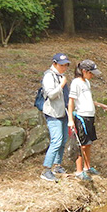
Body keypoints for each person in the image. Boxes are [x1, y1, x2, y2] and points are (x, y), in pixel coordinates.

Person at [68, 60, 102, 181]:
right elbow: (71, 101)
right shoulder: (76, 83)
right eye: (91, 73)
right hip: (81, 117)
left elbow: (87, 99)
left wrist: (99, 104)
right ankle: (79, 171)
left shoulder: (87, 82)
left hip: (90, 116)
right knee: (81, 144)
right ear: (84, 71)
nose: (92, 76)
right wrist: (70, 120)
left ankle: (88, 167)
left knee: (88, 143)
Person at [41, 53, 71, 182]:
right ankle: (46, 169)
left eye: (66, 65)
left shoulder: (60, 75)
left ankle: (57, 165)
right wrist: (62, 85)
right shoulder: (49, 76)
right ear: (54, 63)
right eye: (61, 65)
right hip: (53, 113)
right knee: (56, 141)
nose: (64, 67)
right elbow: (51, 95)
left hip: (63, 112)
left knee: (63, 140)